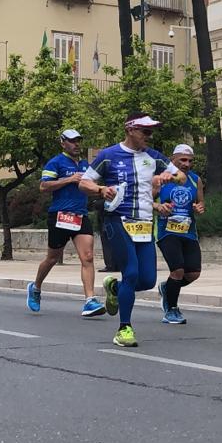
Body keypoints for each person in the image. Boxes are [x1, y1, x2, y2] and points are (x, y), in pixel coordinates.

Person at [78, 115, 178, 348]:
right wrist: (101, 189)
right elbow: (84, 183)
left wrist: (169, 175)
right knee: (131, 273)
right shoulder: (109, 155)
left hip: (144, 223)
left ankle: (115, 287)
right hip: (117, 220)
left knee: (148, 280)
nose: (149, 136)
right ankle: (124, 329)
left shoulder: (154, 157)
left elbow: (181, 176)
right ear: (130, 129)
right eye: (145, 131)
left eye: (151, 132)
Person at [28, 129, 105, 317]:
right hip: (60, 215)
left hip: (80, 215)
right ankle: (36, 287)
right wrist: (69, 179)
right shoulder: (55, 162)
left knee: (87, 257)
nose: (76, 144)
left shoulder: (86, 164)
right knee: (52, 258)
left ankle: (89, 301)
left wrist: (101, 190)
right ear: (63, 143)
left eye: (78, 141)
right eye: (72, 141)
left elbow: (88, 187)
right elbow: (43, 186)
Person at [155, 143, 205, 325]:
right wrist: (159, 207)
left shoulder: (195, 180)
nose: (186, 164)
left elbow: (201, 204)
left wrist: (199, 208)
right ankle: (172, 310)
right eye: (182, 160)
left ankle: (167, 288)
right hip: (166, 231)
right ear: (172, 159)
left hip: (188, 232)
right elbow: (146, 201)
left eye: (190, 161)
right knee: (177, 270)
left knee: (193, 273)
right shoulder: (161, 179)